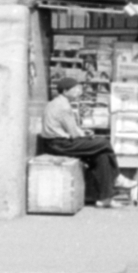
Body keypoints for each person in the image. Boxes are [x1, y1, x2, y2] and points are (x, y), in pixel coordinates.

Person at [41, 71, 124, 208]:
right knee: (104, 143)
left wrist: (85, 135)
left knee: (102, 155)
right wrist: (87, 137)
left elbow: (71, 129)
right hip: (60, 144)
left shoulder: (56, 103)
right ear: (65, 91)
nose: (78, 91)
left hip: (57, 143)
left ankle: (105, 199)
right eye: (75, 89)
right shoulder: (63, 106)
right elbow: (74, 134)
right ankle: (117, 176)